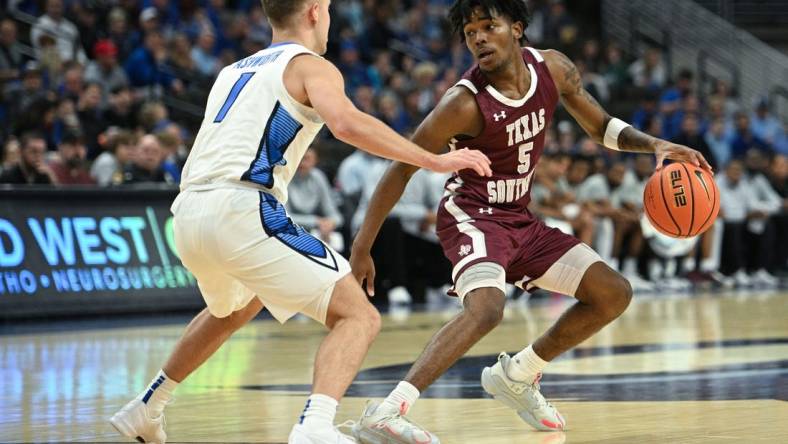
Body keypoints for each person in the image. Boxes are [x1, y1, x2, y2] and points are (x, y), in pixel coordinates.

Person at [108, 1, 491, 444]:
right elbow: (346, 124)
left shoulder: (231, 70)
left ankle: (147, 406)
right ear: (313, 11)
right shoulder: (311, 65)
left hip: (188, 214)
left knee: (234, 307)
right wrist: (432, 159)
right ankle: (315, 426)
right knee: (359, 317)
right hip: (243, 207)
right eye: (327, 8)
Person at [349, 1, 711, 442]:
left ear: (517, 28)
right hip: (473, 215)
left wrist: (655, 144)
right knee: (486, 309)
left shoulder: (554, 69)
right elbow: (400, 167)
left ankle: (518, 374)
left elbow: (601, 128)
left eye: (489, 26)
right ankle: (386, 412)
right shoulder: (462, 103)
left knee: (612, 293)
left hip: (520, 218)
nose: (479, 38)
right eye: (470, 33)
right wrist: (363, 245)